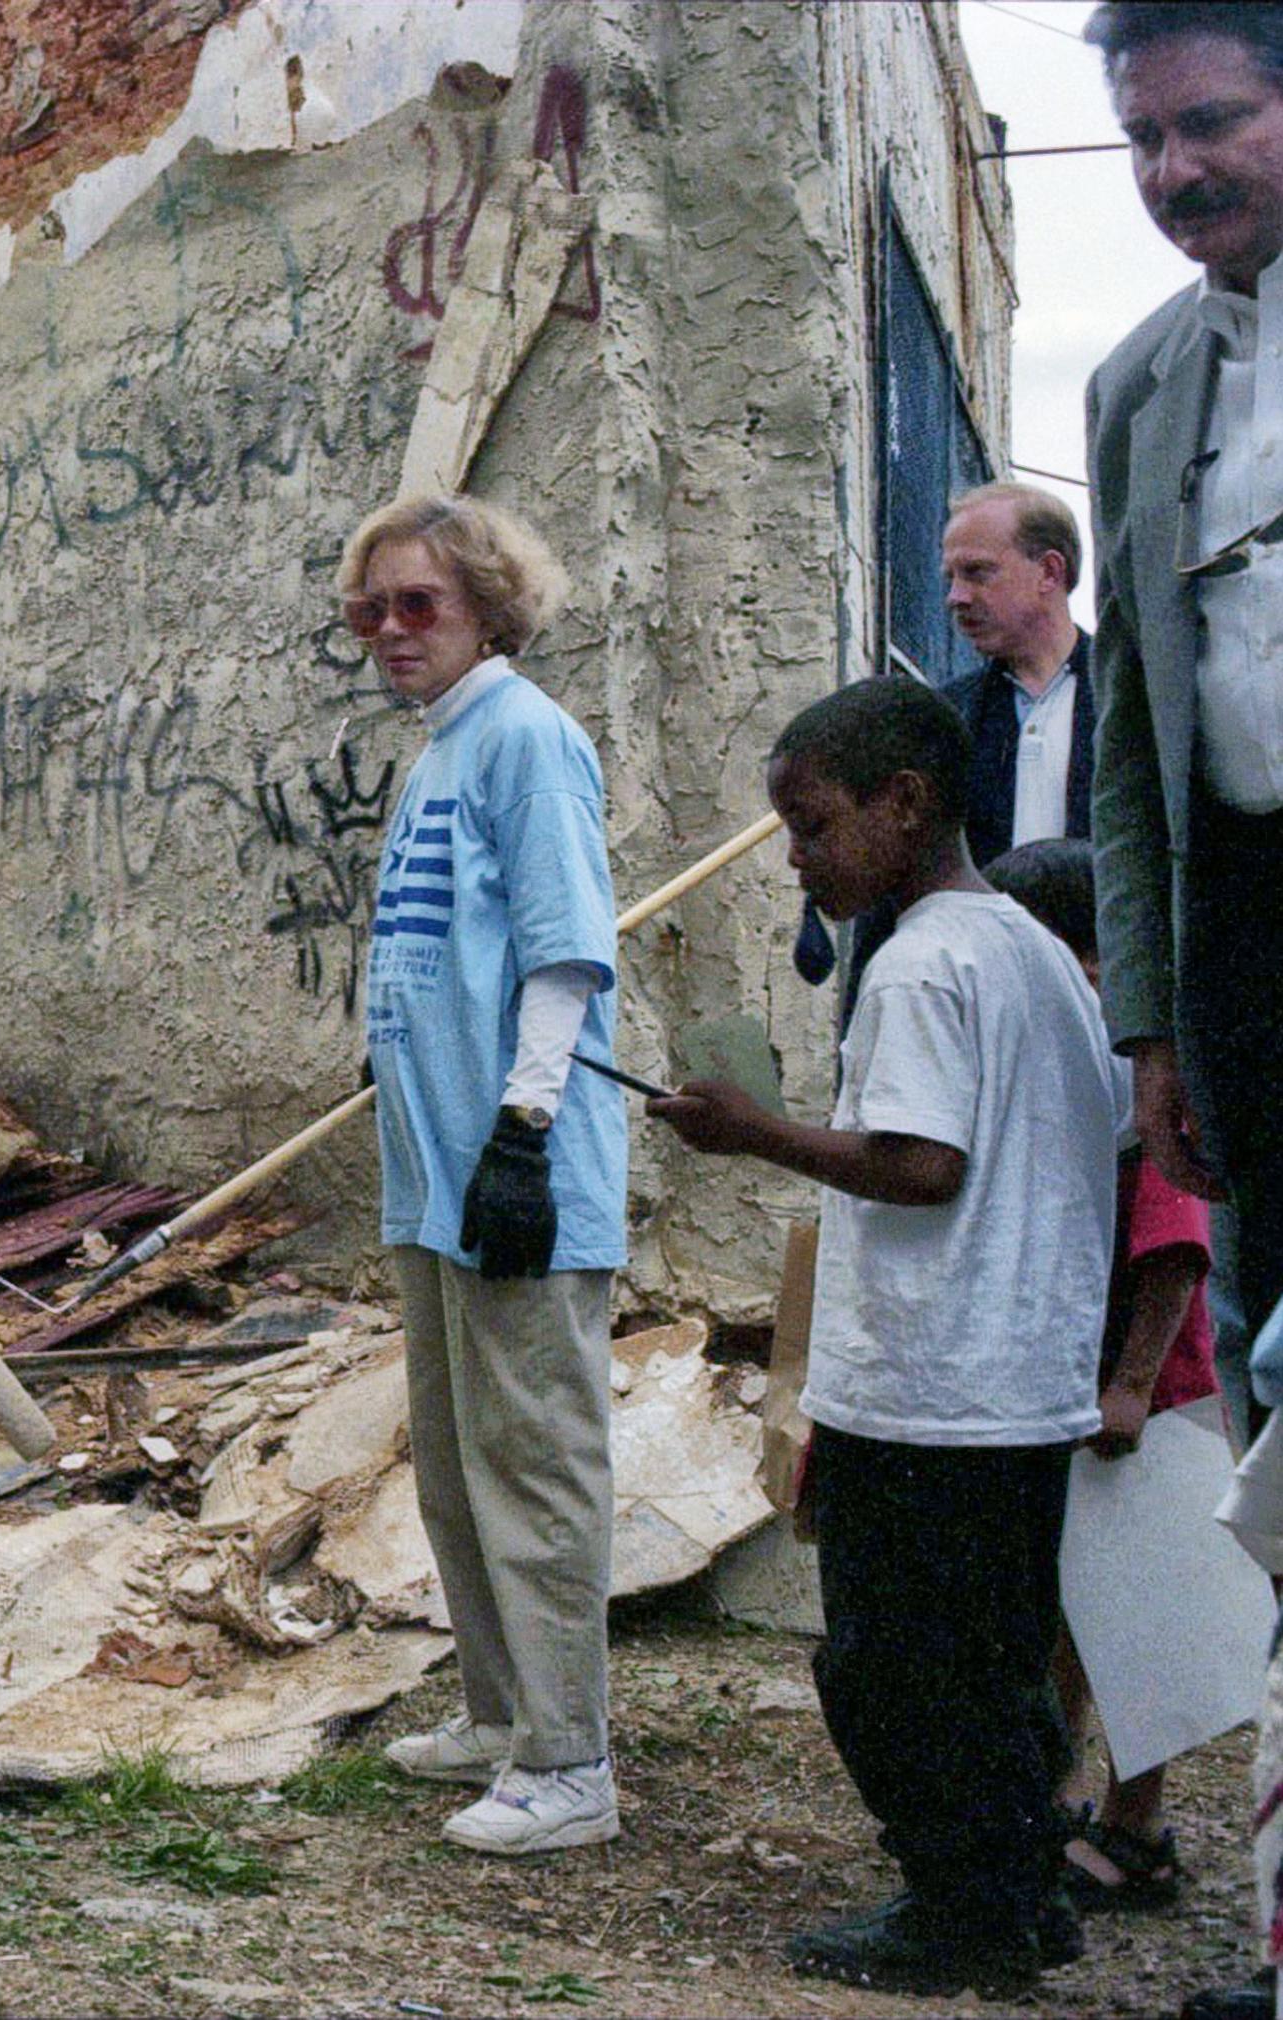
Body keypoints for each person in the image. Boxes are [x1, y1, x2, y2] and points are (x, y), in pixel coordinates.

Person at [652, 677, 1124, 1994]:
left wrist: (749, 1129)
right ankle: (1019, 1893)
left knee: (893, 1670)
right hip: (1018, 1387)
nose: (797, 859)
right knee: (993, 1664)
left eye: (811, 826)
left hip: (929, 1389)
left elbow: (923, 1166)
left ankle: (960, 1910)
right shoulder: (1028, 948)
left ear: (903, 803)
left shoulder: (921, 961)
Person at [338, 495, 625, 1857]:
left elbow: (567, 954)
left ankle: (571, 1761)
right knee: (457, 1465)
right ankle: (499, 1712)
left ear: (490, 609)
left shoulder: (528, 743)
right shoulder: (438, 752)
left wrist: (522, 1132)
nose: (392, 631)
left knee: (535, 1463)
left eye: (420, 605)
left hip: (516, 1169)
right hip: (430, 1169)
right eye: (372, 609)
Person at [1082, 1, 1283, 1436]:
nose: (1171, 171)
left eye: (1211, 122)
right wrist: (1153, 1031)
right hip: (1246, 941)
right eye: (1144, 136)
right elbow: (1133, 744)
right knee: (1268, 1344)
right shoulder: (1138, 388)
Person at [982, 839, 1217, 1916]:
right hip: (1076, 1392)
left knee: (1144, 1623)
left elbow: (1173, 1245)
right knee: (1074, 1608)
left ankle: (1138, 1827)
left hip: (1153, 1398)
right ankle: (1058, 1796)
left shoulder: (1140, 1080)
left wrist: (1129, 1384)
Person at [941, 484, 1095, 862]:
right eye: (952, 577)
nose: (955, 597)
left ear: (1049, 571)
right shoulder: (947, 716)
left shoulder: (1133, 700)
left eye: (977, 572)